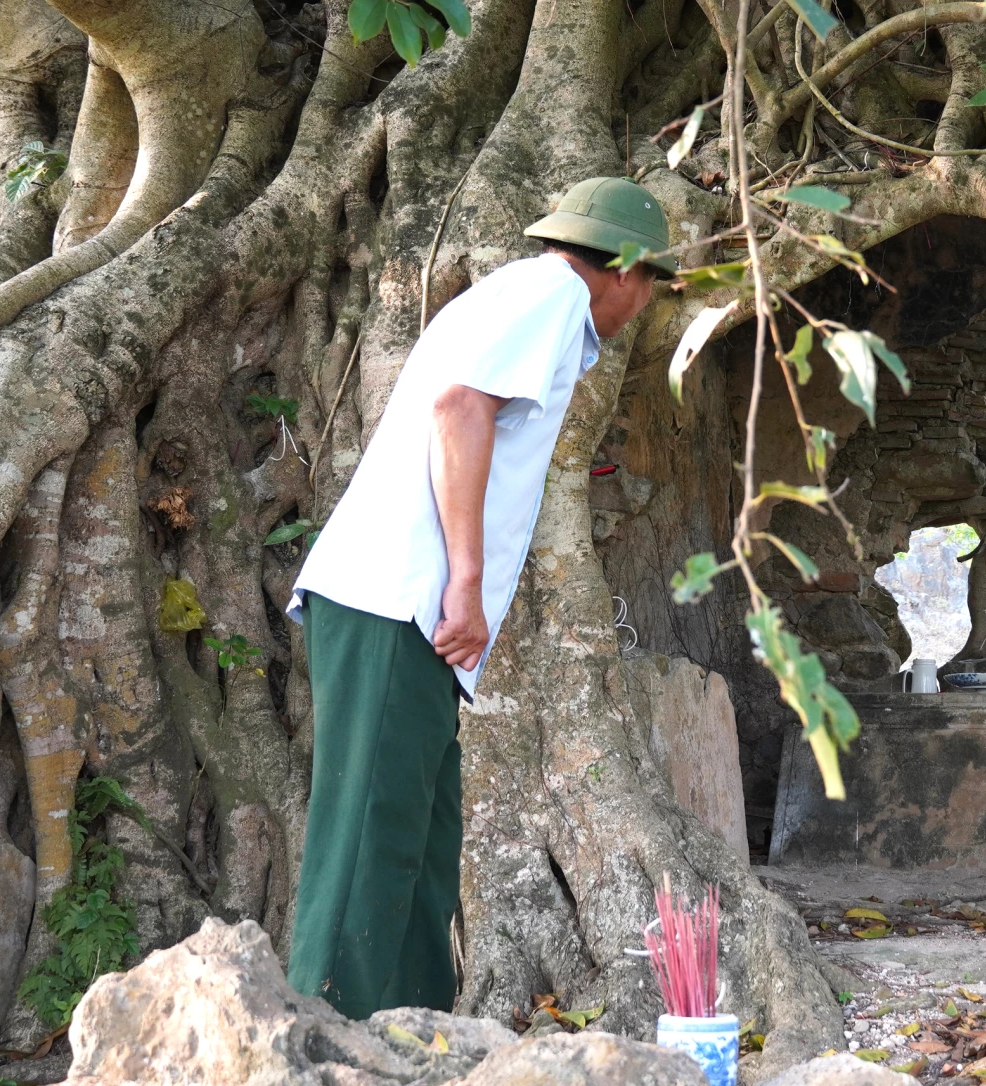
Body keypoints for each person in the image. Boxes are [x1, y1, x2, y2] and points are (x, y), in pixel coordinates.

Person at [282, 176, 678, 1018]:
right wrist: (463, 581)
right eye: (652, 283)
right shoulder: (550, 295)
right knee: (367, 844)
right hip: (399, 602)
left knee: (419, 847)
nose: (646, 304)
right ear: (624, 269)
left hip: (399, 613)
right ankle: (315, 1042)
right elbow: (459, 409)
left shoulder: (530, 297)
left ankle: (410, 1037)